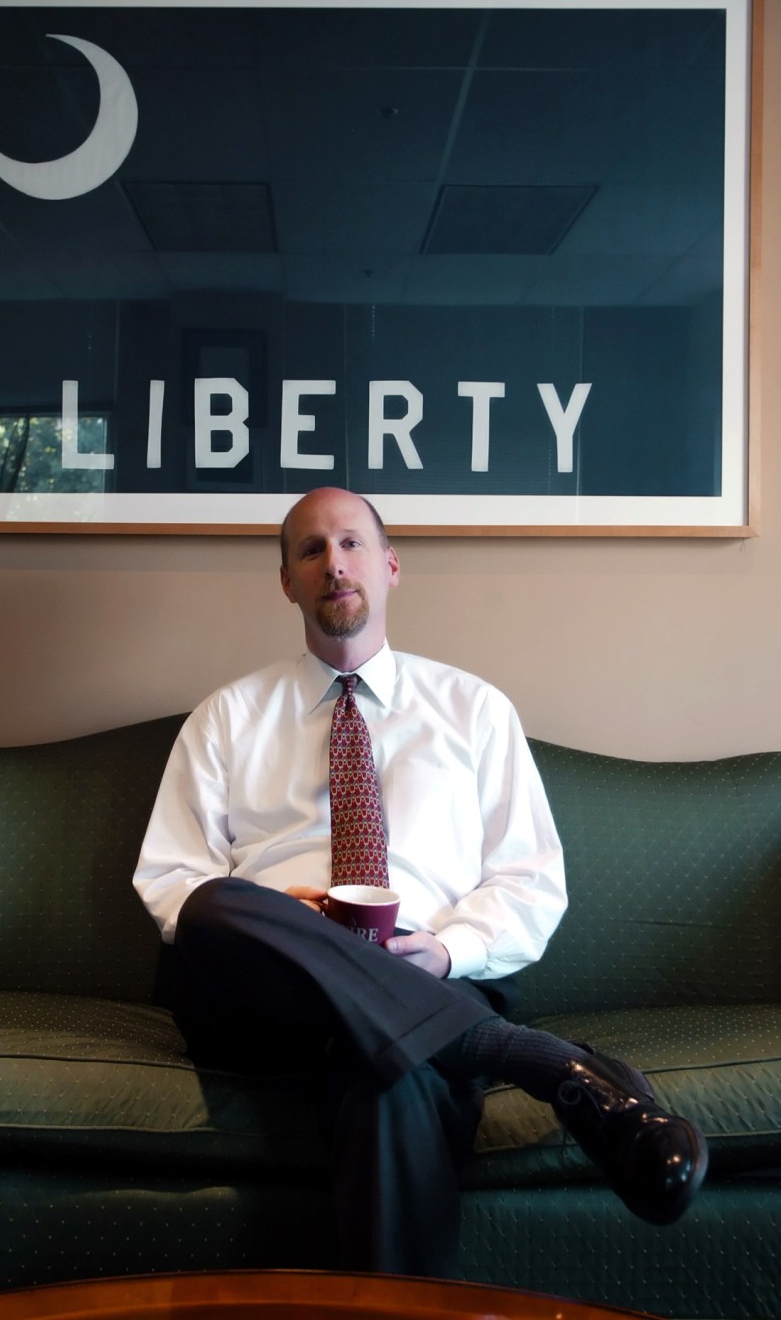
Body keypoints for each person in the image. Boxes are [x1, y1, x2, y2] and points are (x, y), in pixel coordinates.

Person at [134, 486, 707, 1279]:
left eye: (351, 543)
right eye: (310, 549)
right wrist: (288, 921)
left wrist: (442, 951)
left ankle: (441, 1032)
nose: (333, 562)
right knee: (214, 907)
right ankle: (535, 1060)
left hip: (433, 981)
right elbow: (171, 878)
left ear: (391, 565)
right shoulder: (227, 716)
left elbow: (531, 881)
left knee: (387, 1081)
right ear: (287, 582)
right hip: (262, 1000)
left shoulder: (475, 711)